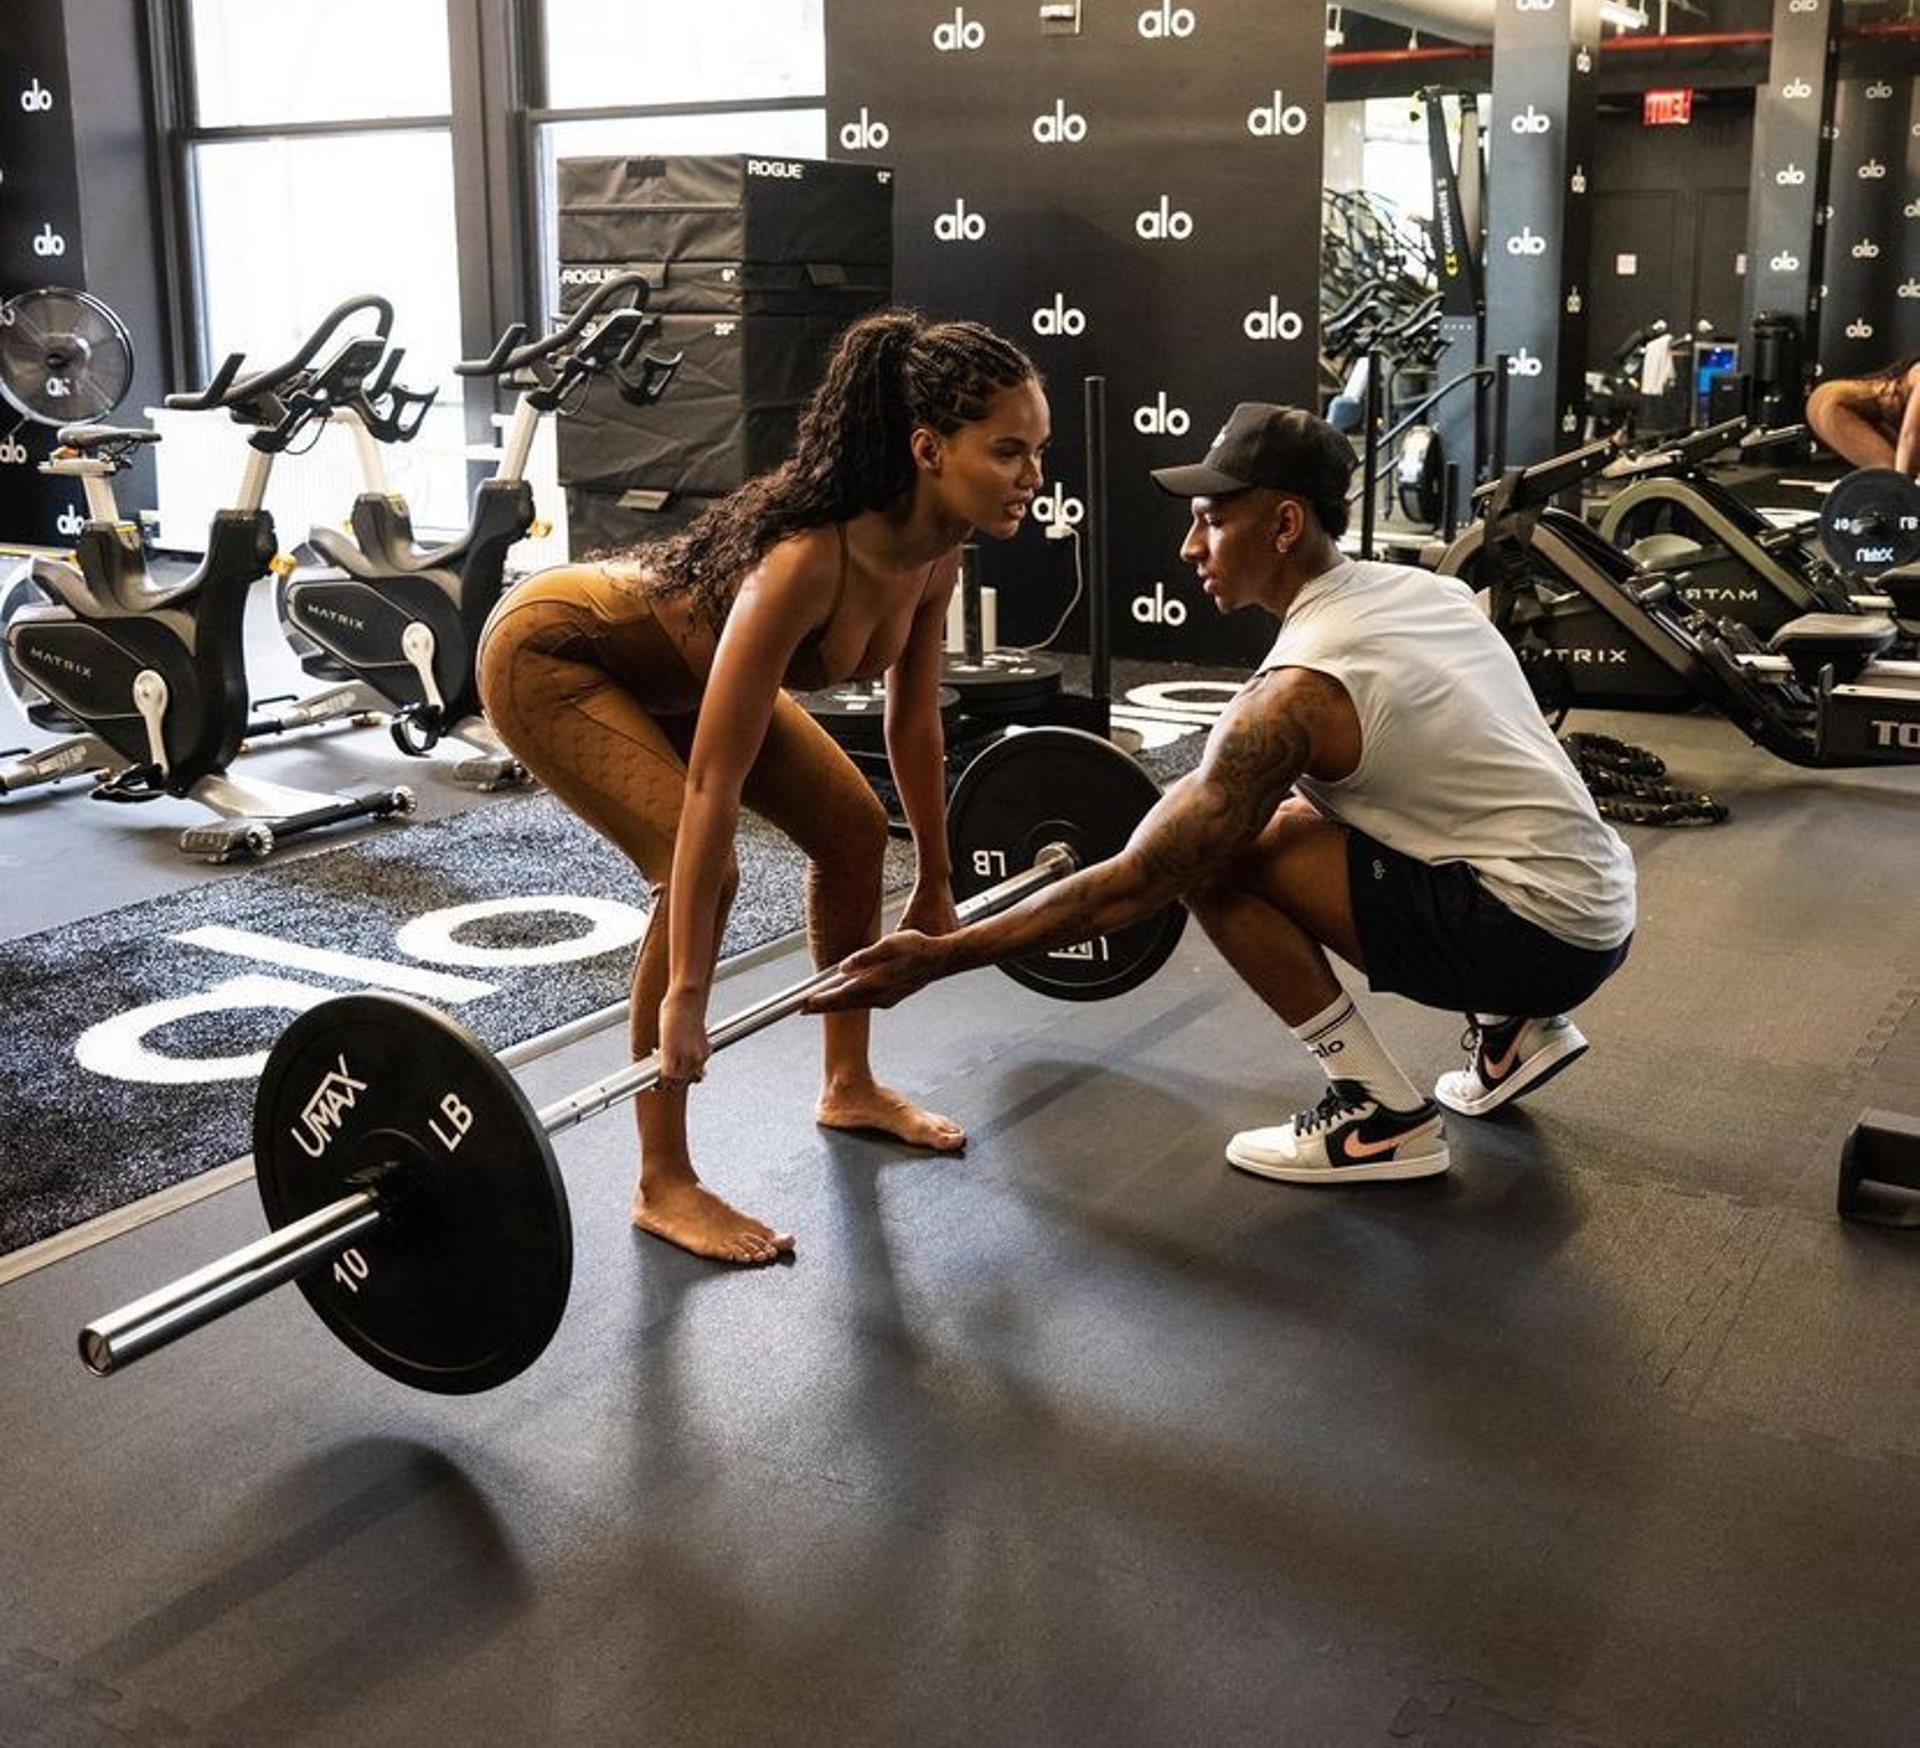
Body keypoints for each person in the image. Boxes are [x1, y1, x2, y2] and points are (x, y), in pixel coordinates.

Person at [812, 402, 1637, 1186]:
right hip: (1598, 906)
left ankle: (1379, 1117)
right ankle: (1514, 1032)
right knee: (1293, 812)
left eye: (1210, 518)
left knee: (1220, 860)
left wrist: (948, 955)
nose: (1188, 547)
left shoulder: (1297, 695)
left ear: (1284, 524)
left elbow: (1145, 880)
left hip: (1534, 934)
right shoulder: (1424, 592)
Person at [478, 309, 1049, 1260]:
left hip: (681, 673)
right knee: (697, 865)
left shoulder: (937, 554)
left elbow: (914, 724)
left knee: (856, 832)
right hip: (558, 653)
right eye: (1008, 451)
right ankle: (663, 1180)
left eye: (1037, 451)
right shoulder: (804, 562)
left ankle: (848, 1084)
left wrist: (939, 881)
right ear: (927, 449)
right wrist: (687, 1001)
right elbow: (712, 789)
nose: (1033, 477)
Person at [1805, 354, 1919, 478]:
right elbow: (1909, 436)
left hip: (1839, 403)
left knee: (1904, 468)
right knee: (1891, 475)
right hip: (1834, 404)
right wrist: (1903, 489)